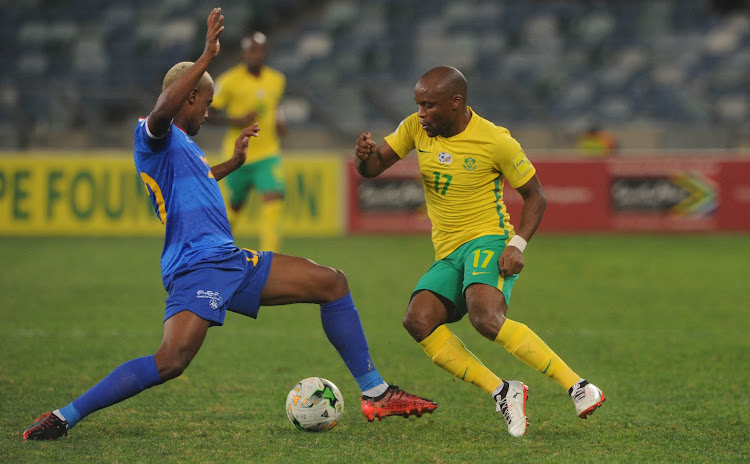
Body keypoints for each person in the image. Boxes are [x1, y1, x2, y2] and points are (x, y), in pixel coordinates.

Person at [22, 8, 436, 441]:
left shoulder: (185, 148)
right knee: (171, 361)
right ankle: (64, 416)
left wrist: (232, 164)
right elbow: (163, 111)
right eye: (205, 104)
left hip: (231, 259)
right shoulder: (153, 132)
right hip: (197, 264)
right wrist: (205, 58)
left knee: (332, 282)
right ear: (189, 98)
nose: (208, 114)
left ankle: (377, 392)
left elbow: (194, 181)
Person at [353, 66, 605, 438]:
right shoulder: (414, 128)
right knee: (417, 320)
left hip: (489, 237)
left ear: (455, 103)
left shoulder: (495, 140)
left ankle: (579, 386)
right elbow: (373, 168)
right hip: (449, 249)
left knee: (485, 318)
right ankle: (504, 391)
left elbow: (536, 196)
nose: (421, 113)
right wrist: (363, 156)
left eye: (429, 105)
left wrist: (517, 243)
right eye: (418, 105)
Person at [209, 31, 287, 252]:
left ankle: (270, 259)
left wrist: (281, 122)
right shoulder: (229, 81)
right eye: (251, 50)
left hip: (268, 154)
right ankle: (215, 251)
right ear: (244, 53)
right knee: (234, 207)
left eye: (259, 50)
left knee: (274, 201)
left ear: (265, 53)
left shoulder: (277, 79)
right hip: (237, 156)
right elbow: (209, 114)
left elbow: (276, 105)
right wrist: (237, 120)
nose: (255, 55)